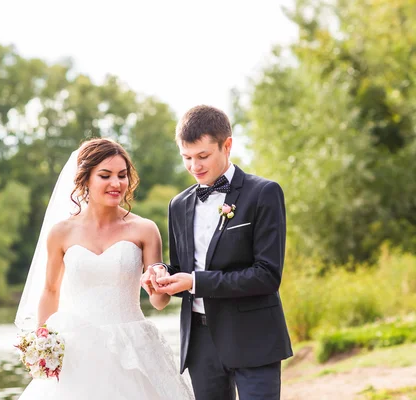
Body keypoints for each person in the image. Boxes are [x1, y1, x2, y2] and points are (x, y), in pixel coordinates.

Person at [15, 138, 194, 399]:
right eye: (105, 175)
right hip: (77, 349)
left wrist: (157, 284)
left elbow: (159, 302)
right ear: (85, 179)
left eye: (122, 175)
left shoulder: (145, 229)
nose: (116, 183)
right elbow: (51, 290)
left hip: (133, 348)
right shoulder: (61, 232)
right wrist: (43, 342)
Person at [141, 105, 293, 400]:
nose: (194, 166)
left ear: (228, 145)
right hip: (200, 342)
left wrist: (195, 282)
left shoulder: (264, 193)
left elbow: (266, 275)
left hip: (253, 337)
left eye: (203, 156)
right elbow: (183, 266)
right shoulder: (178, 204)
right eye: (187, 158)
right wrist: (161, 272)